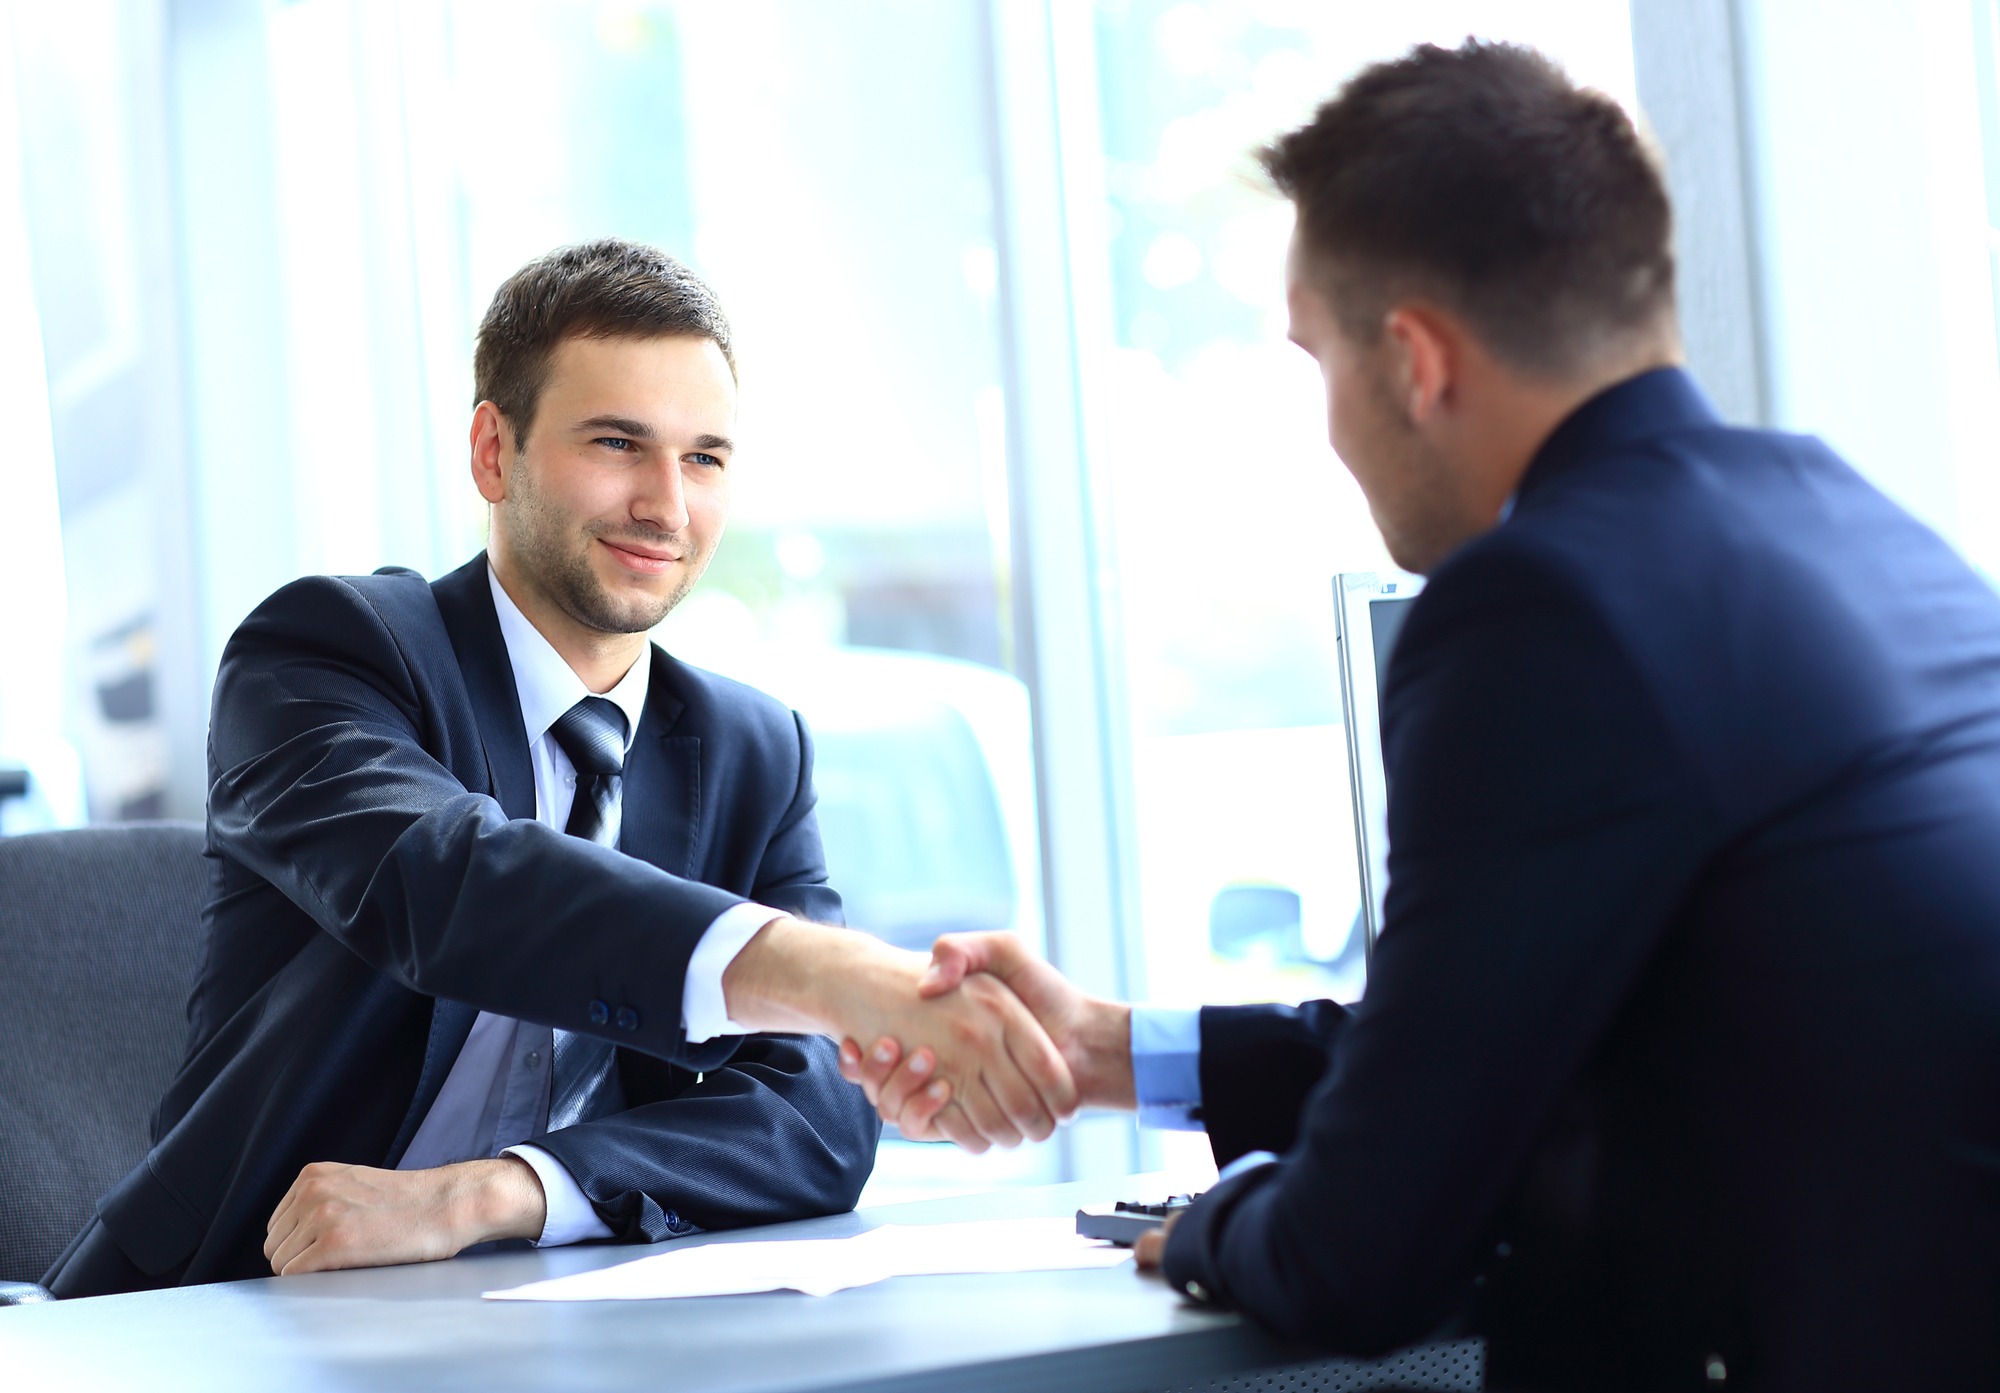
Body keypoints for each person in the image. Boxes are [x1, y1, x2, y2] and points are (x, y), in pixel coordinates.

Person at [846, 41, 2000, 1393]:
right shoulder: (1859, 529)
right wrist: (1107, 1050)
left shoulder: (1540, 606)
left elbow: (1355, 1251)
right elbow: (1478, 1039)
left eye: (1316, 358)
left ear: (1414, 360)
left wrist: (1204, 1223)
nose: (1327, 427)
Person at [46, 239, 1075, 1298]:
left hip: (561, 1317)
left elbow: (814, 1116)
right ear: (494, 452)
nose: (666, 506)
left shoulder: (753, 750)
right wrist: (834, 977)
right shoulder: (329, 652)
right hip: (237, 1306)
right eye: (618, 443)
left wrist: (501, 1192)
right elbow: (454, 884)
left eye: (705, 458)